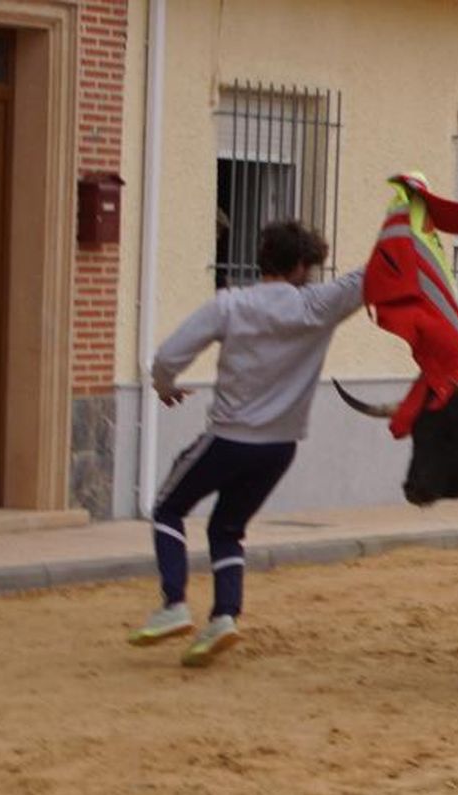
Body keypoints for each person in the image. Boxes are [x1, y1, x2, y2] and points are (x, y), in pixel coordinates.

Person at [129, 221, 366, 665]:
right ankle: (224, 616)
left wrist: (165, 386)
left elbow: (167, 356)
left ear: (266, 258)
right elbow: (374, 273)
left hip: (229, 438)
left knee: (167, 507)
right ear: (301, 264)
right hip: (280, 447)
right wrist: (411, 219)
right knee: (227, 528)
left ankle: (174, 604)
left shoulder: (232, 305)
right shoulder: (321, 305)